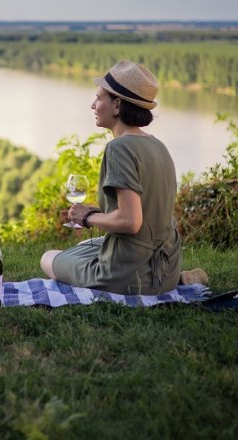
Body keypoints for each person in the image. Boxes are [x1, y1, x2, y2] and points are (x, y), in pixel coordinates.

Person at [40, 60, 203, 295]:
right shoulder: (158, 145)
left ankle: (129, 280)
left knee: (49, 258)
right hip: (166, 268)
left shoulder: (119, 148)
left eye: (98, 98)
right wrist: (96, 212)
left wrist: (88, 218)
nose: (93, 105)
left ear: (117, 105)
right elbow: (143, 212)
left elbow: (131, 221)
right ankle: (178, 279)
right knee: (85, 246)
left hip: (130, 275)